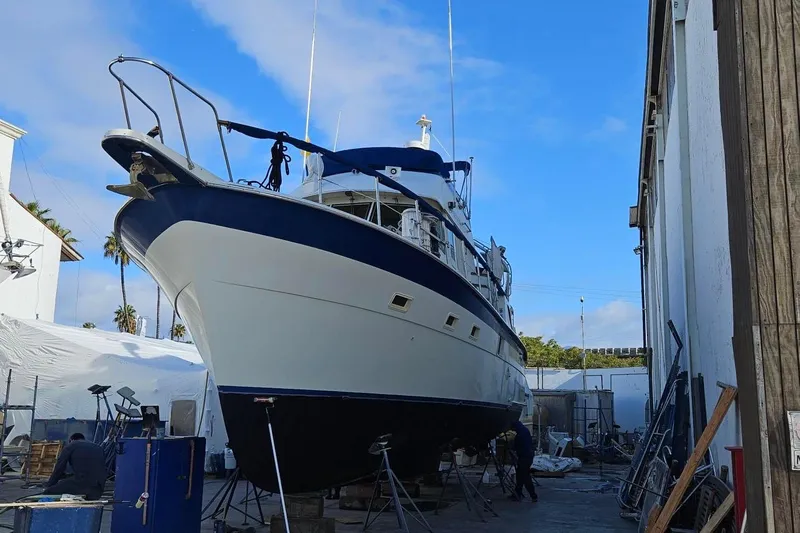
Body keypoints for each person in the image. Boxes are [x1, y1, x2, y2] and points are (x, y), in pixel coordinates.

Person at [42, 433, 107, 500]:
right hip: (98, 489)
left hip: (83, 485)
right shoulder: (98, 447)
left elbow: (59, 468)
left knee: (49, 492)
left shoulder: (71, 445)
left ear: (71, 440)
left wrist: (49, 484)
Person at [510, 420, 538, 502]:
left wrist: (512, 449)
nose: (513, 431)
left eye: (513, 429)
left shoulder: (520, 435)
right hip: (528, 456)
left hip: (524, 457)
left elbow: (516, 447)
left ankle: (533, 495)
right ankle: (517, 493)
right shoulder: (525, 430)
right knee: (520, 475)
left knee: (525, 477)